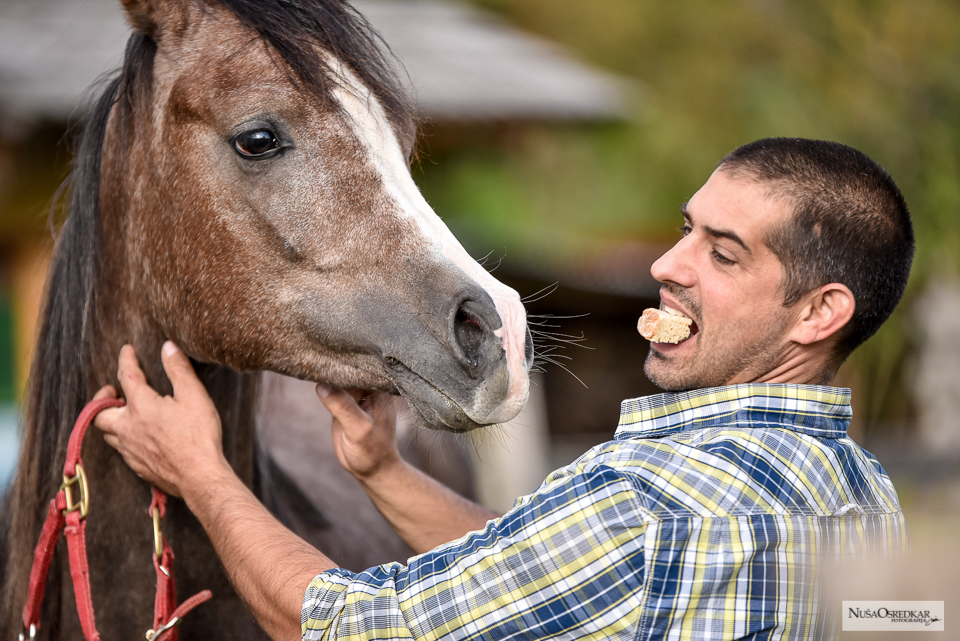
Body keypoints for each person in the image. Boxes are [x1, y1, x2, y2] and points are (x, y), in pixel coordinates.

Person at [93, 138, 914, 640]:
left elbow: (336, 625)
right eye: (686, 228)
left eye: (724, 253)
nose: (668, 265)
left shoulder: (650, 501)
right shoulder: (867, 497)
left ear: (819, 312)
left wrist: (199, 470)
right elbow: (549, 578)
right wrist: (384, 471)